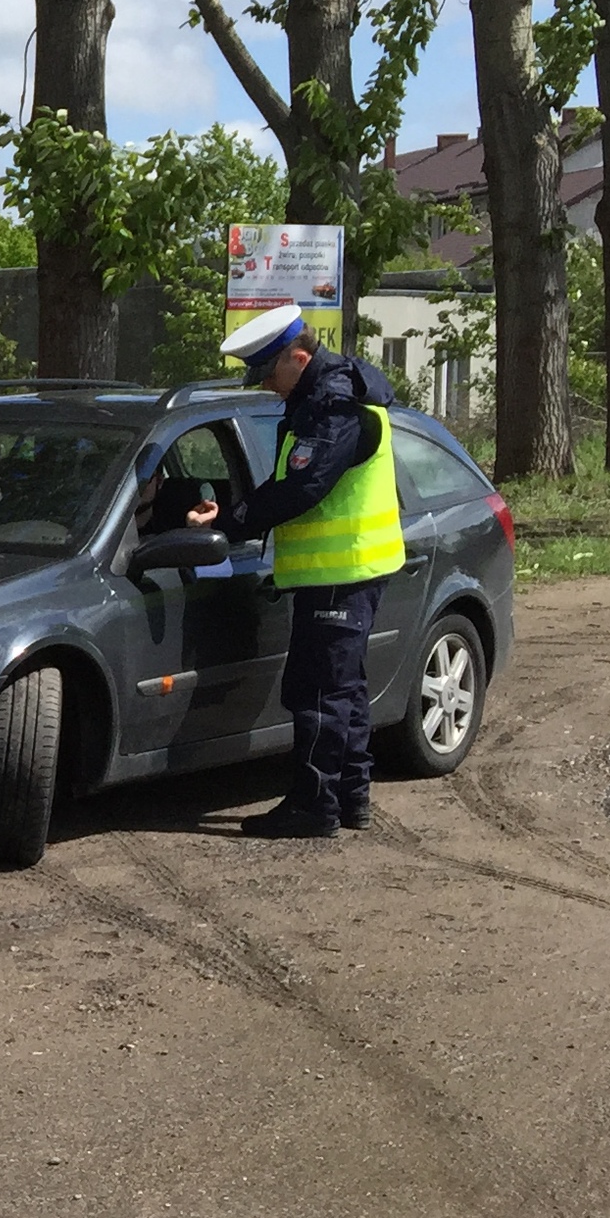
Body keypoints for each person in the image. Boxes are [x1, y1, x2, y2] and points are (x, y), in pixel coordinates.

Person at [186, 306, 404, 837]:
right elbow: (291, 480)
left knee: (319, 694)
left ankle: (313, 807)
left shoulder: (335, 407)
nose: (265, 384)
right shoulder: (322, 399)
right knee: (344, 690)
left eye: (268, 372)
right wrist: (233, 512)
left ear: (299, 358)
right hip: (345, 569)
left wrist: (234, 521)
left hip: (340, 572)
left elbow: (303, 488)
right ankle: (350, 798)